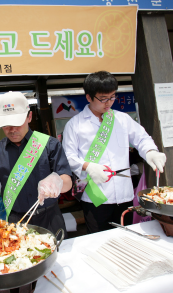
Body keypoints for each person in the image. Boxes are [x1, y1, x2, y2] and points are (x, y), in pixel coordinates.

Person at [62, 71, 167, 234]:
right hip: (95, 196)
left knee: (127, 237)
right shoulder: (74, 125)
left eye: (112, 97)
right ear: (89, 97)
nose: (109, 102)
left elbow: (141, 138)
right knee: (99, 241)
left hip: (125, 194)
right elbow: (68, 157)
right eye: (103, 98)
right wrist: (87, 166)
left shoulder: (122, 119)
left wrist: (151, 151)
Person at [0, 91, 73, 239]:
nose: (12, 129)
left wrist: (58, 181)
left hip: (49, 218)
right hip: (16, 222)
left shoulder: (49, 144)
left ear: (29, 117)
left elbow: (68, 182)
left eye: (17, 122)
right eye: (6, 125)